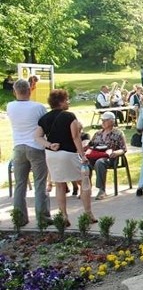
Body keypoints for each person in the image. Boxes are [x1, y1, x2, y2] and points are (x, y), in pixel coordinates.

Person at [34, 89, 96, 224]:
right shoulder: (69, 116)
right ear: (61, 102)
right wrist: (82, 155)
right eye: (67, 99)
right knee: (84, 183)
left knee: (60, 185)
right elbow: (75, 137)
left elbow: (37, 137)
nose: (68, 102)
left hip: (51, 155)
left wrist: (49, 145)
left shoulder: (44, 118)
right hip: (68, 154)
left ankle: (63, 216)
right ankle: (88, 213)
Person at [8, 79, 50, 225]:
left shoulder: (10, 106)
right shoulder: (38, 107)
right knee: (40, 183)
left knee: (20, 184)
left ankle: (19, 218)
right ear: (30, 90)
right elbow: (45, 125)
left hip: (18, 146)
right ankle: (42, 218)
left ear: (15, 91)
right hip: (36, 146)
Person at [87, 112, 127, 200]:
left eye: (105, 120)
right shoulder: (98, 133)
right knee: (85, 163)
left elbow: (123, 149)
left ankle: (102, 190)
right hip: (96, 155)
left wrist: (116, 153)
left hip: (110, 158)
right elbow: (90, 145)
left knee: (99, 163)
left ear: (112, 121)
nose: (103, 122)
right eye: (102, 120)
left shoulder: (118, 133)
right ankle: (86, 188)